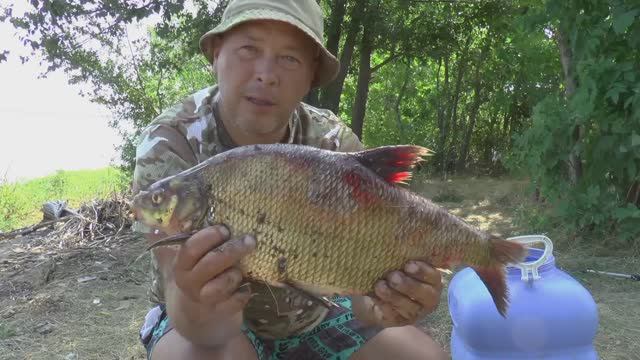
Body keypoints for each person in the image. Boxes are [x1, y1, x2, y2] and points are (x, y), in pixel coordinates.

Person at [132, 0, 447, 359]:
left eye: (289, 58)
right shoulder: (169, 143)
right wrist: (196, 305)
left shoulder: (333, 144)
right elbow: (188, 306)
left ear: (311, 75)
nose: (266, 74)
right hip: (192, 322)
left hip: (312, 313)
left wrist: (387, 302)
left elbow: (362, 300)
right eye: (249, 49)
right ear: (216, 53)